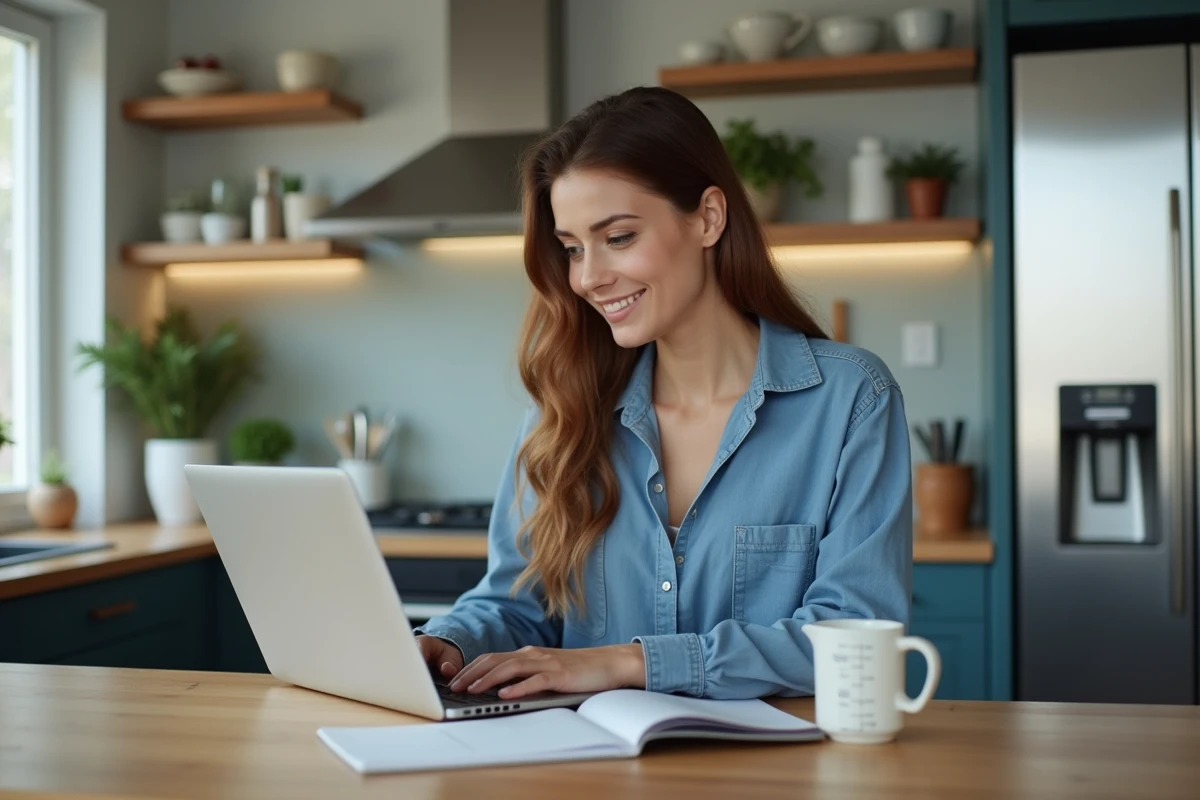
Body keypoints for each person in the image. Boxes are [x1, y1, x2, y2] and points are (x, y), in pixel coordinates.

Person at [414, 86, 911, 701]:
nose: (589, 276)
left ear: (707, 217)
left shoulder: (850, 400)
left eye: (618, 237)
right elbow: (520, 605)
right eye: (572, 248)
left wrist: (631, 662)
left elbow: (853, 635)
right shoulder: (564, 409)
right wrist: (449, 640)